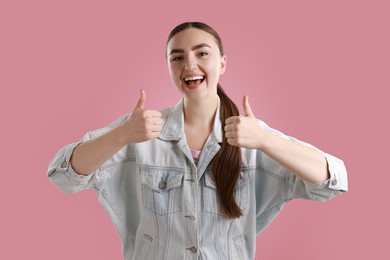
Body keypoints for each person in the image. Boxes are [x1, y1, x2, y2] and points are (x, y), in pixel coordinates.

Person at [47, 22, 348, 260]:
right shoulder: (139, 133)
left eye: (202, 53)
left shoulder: (252, 137)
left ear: (223, 63)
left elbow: (331, 181)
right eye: (177, 57)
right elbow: (63, 176)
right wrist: (122, 134)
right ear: (169, 67)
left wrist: (266, 140)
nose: (189, 63)